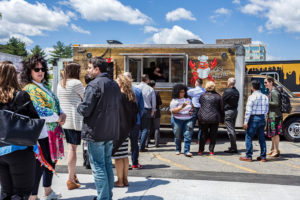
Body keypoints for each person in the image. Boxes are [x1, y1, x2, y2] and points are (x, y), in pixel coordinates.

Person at [21, 55, 65, 200]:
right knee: (40, 166)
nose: (40, 72)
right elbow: (40, 110)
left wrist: (62, 113)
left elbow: (54, 104)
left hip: (51, 132)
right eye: (36, 69)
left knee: (50, 163)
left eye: (42, 69)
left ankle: (48, 191)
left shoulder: (43, 86)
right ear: (29, 71)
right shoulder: (30, 88)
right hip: (41, 133)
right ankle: (33, 196)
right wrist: (58, 117)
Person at [77, 57, 121, 200]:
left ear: (97, 69)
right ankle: (107, 195)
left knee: (98, 166)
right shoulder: (114, 84)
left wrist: (79, 105)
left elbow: (86, 109)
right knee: (107, 163)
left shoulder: (94, 85)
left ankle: (103, 197)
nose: (87, 70)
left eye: (89, 68)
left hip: (96, 131)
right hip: (110, 130)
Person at [0, 62, 40, 200]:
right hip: (19, 149)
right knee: (21, 193)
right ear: (14, 76)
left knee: (6, 192)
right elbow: (34, 119)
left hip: (0, 151)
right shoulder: (21, 96)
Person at [57, 62, 85, 190]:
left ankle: (73, 175)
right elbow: (86, 98)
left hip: (64, 120)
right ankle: (70, 179)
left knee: (70, 148)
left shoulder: (60, 83)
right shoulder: (76, 83)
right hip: (74, 120)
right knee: (72, 150)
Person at [112, 75, 138, 187]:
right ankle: (125, 179)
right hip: (127, 129)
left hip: (118, 129)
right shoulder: (131, 96)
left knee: (118, 157)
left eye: (117, 81)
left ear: (121, 83)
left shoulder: (119, 96)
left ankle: (120, 181)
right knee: (124, 156)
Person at [240, 80, 269, 162]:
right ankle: (263, 156)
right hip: (262, 118)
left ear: (252, 87)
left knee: (249, 137)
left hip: (253, 119)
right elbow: (267, 109)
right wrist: (263, 117)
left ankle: (249, 156)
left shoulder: (251, 97)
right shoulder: (265, 97)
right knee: (262, 138)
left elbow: (248, 111)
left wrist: (246, 121)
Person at [124, 72, 144, 169]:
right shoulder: (137, 91)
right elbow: (142, 108)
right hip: (135, 121)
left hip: (122, 122)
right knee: (134, 143)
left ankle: (122, 163)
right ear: (131, 79)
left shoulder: (119, 90)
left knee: (122, 144)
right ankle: (135, 163)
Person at [197, 81, 224, 156]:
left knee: (203, 134)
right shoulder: (218, 96)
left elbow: (200, 103)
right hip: (214, 118)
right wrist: (222, 119)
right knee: (213, 134)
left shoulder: (202, 95)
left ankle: (200, 150)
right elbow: (221, 108)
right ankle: (211, 150)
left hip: (203, 117)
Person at [170, 84, 193, 157]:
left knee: (188, 135)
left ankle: (187, 151)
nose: (183, 93)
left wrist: (191, 110)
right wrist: (181, 107)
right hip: (177, 120)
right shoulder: (174, 101)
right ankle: (178, 149)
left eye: (184, 92)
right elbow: (173, 111)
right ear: (177, 92)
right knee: (178, 135)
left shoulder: (188, 99)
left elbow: (191, 107)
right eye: (181, 92)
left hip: (188, 119)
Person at [136, 74, 156, 152]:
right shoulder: (150, 89)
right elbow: (153, 102)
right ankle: (141, 147)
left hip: (137, 109)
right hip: (146, 109)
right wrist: (153, 111)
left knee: (138, 128)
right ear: (147, 80)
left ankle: (136, 144)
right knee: (145, 129)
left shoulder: (136, 87)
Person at [264, 77, 282, 157]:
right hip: (272, 115)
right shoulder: (271, 91)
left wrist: (266, 101)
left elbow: (276, 103)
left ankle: (276, 150)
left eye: (266, 82)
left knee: (275, 134)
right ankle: (272, 149)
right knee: (272, 133)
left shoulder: (274, 92)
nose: (265, 84)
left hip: (275, 115)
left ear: (271, 82)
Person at [222, 78, 240, 153]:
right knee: (232, 128)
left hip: (228, 111)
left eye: (227, 81)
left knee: (230, 130)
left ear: (229, 83)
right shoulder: (236, 91)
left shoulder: (227, 91)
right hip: (235, 111)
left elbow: (222, 100)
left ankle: (233, 148)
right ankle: (233, 146)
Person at [187, 79, 205, 143]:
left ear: (196, 83)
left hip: (194, 109)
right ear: (201, 84)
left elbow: (186, 92)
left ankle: (189, 139)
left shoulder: (192, 91)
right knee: (201, 126)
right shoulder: (204, 90)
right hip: (202, 109)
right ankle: (199, 140)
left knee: (191, 125)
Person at [148, 80, 162, 147]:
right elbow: (160, 103)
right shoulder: (156, 93)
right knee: (157, 128)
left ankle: (146, 143)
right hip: (156, 112)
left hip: (148, 111)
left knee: (147, 127)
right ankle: (156, 143)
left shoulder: (146, 92)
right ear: (154, 85)